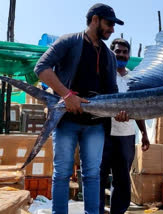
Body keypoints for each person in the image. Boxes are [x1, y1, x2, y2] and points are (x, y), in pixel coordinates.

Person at [34, 3, 127, 214]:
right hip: (66, 121)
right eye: (109, 24)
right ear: (95, 20)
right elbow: (41, 67)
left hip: (95, 124)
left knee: (93, 174)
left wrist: (118, 112)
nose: (112, 29)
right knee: (62, 172)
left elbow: (111, 92)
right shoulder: (69, 41)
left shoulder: (109, 56)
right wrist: (66, 95)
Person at [99, 38, 150, 214]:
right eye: (117, 51)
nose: (121, 54)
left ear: (129, 55)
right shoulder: (104, 76)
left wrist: (144, 133)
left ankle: (117, 211)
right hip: (103, 133)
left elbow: (139, 109)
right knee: (99, 177)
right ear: (111, 53)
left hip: (126, 136)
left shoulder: (134, 79)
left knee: (122, 180)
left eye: (124, 52)